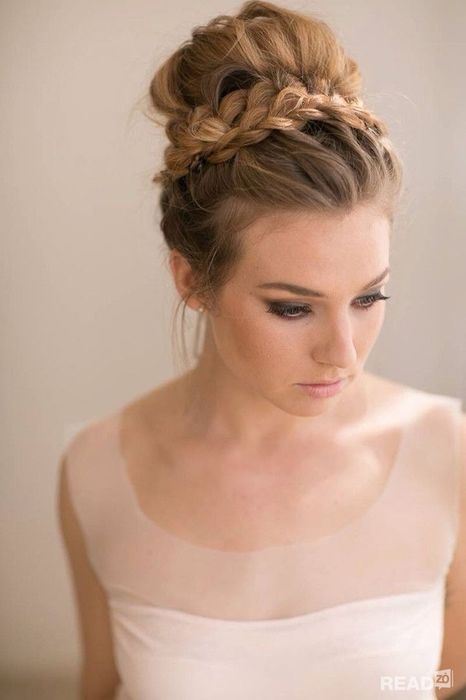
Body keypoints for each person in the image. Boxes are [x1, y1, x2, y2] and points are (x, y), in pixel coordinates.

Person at [57, 2, 466, 698]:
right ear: (193, 280)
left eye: (369, 297)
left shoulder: (448, 455)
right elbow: (101, 685)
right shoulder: (98, 471)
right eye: (292, 308)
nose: (343, 353)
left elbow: (447, 680)